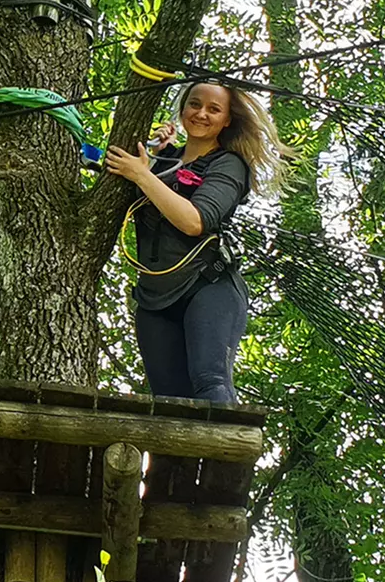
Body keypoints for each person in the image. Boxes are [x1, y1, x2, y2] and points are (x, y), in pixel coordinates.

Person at [105, 81, 287, 405]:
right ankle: (172, 459)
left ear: (227, 120)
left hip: (208, 285)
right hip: (154, 297)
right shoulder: (162, 161)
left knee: (210, 382)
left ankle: (226, 454)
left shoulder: (229, 164)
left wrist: (142, 176)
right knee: (166, 403)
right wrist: (154, 162)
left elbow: (194, 221)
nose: (201, 113)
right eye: (194, 104)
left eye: (213, 109)